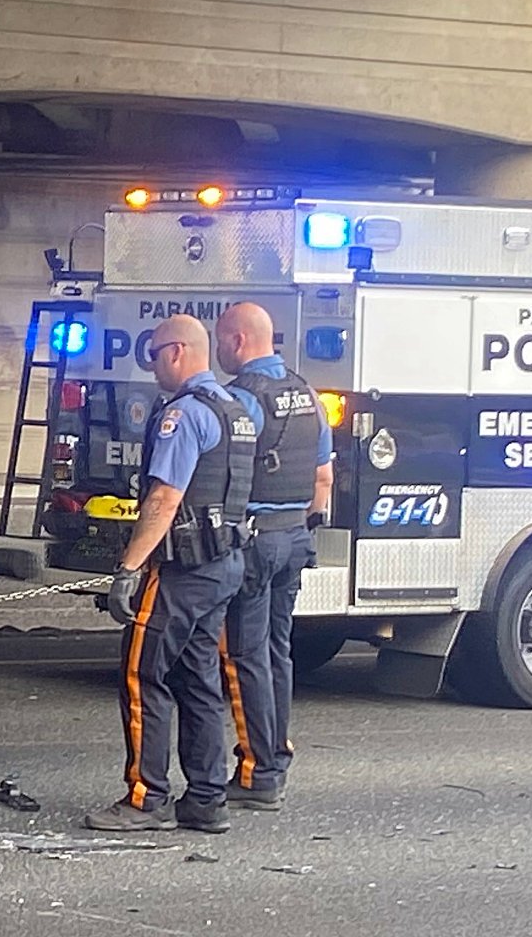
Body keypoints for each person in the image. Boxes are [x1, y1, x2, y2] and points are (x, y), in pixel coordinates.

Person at [86, 314, 257, 834]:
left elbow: (164, 498)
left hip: (181, 570)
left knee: (144, 675)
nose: (152, 365)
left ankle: (146, 797)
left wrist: (128, 569)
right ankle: (206, 798)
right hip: (225, 563)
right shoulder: (237, 410)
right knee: (199, 679)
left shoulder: (183, 415)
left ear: (177, 352)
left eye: (154, 354)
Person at [215, 303, 333, 811]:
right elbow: (323, 480)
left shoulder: (243, 399)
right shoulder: (309, 394)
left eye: (222, 340)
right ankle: (276, 756)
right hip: (294, 538)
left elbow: (227, 479)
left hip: (257, 542)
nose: (220, 349)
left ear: (238, 342)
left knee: (245, 657)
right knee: (277, 653)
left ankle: (257, 772)